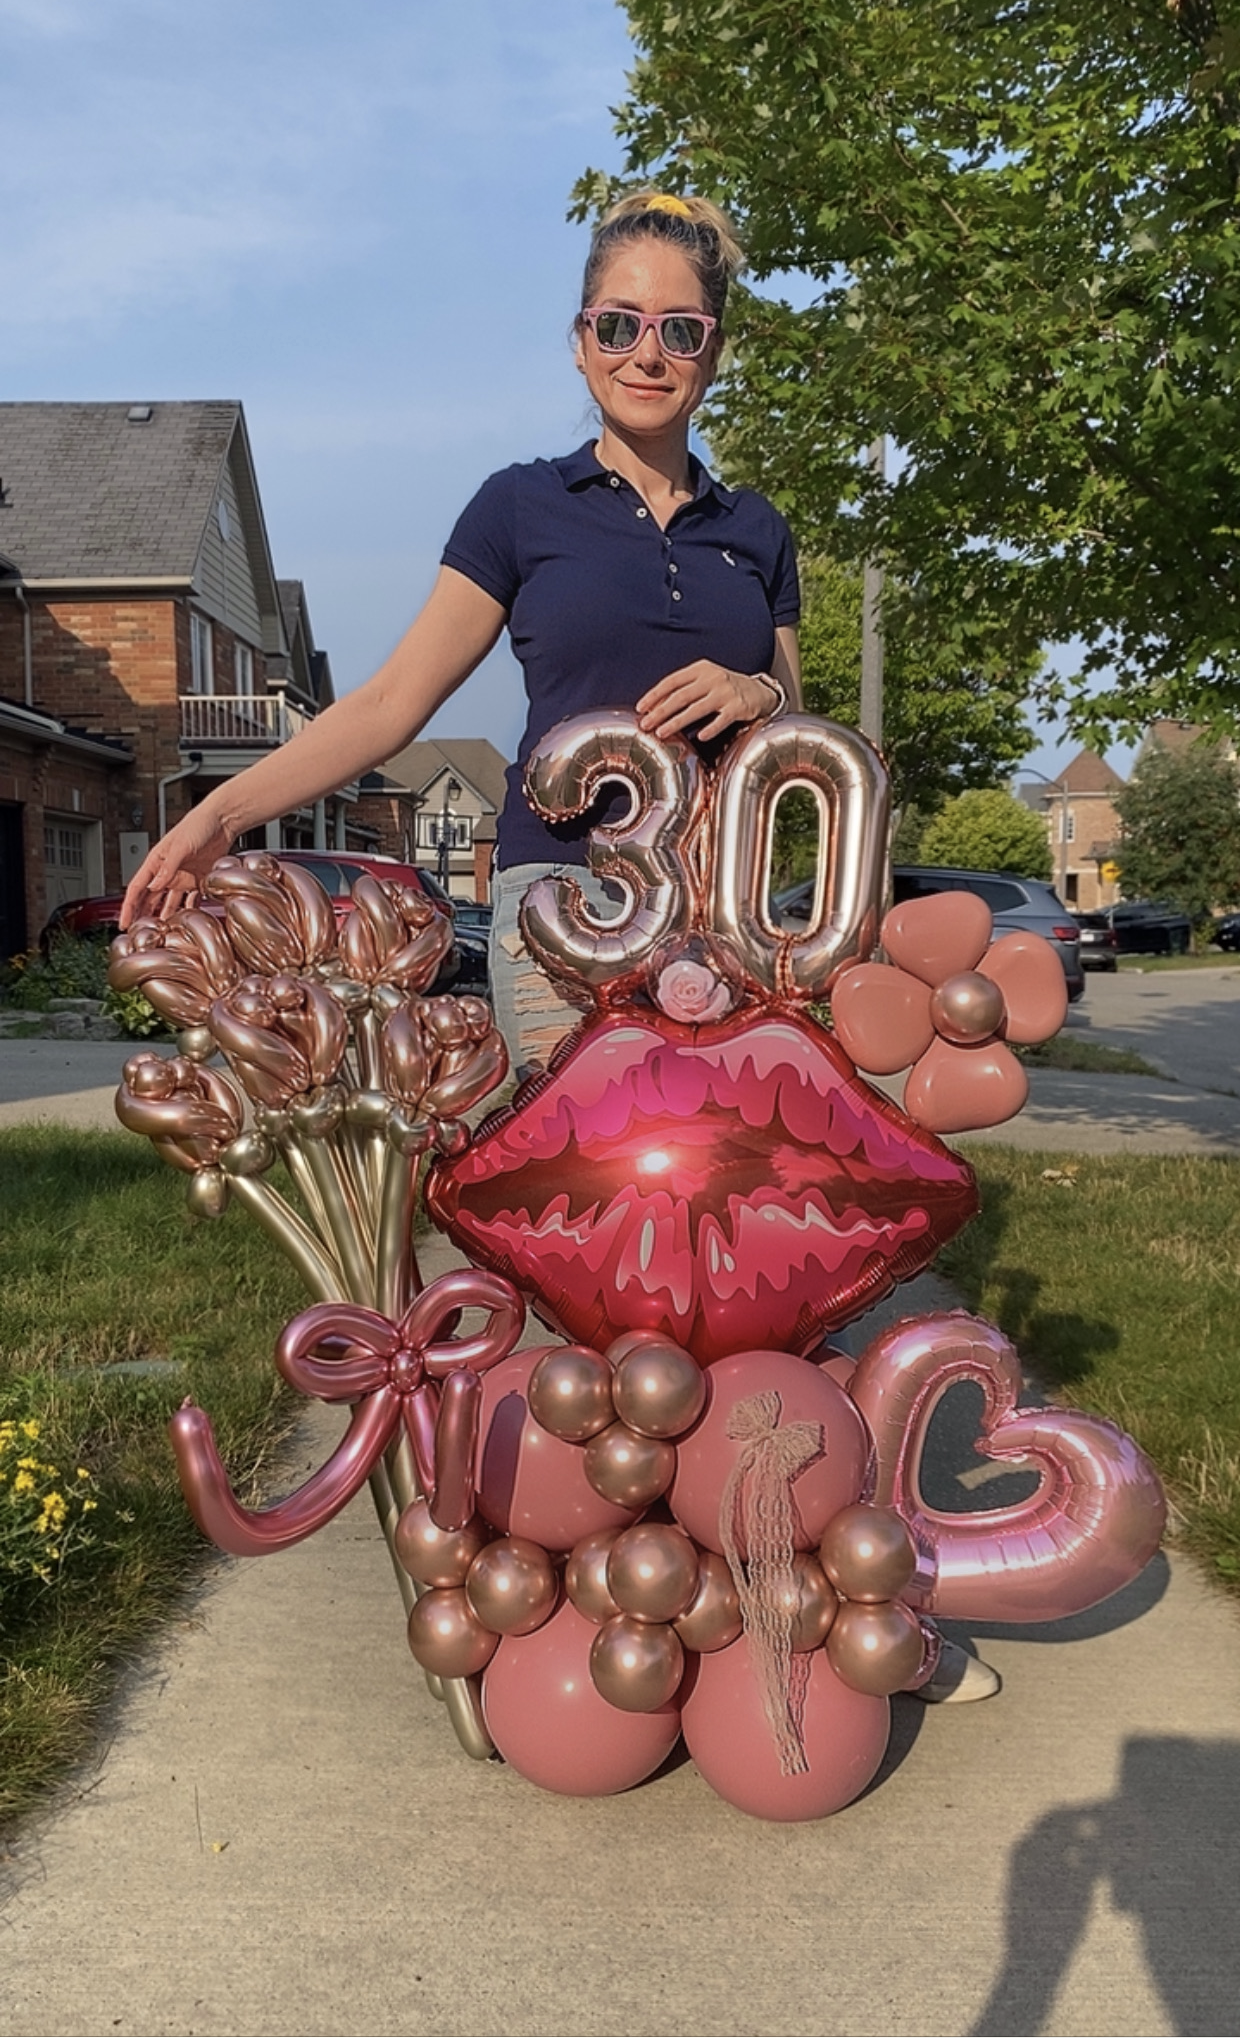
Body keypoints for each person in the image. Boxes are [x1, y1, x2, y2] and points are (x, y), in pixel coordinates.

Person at [121, 190, 996, 1703]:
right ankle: (603, 1599)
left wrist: (749, 687)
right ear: (578, 341)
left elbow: (811, 739)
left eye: (679, 328)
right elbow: (391, 704)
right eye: (619, 324)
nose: (648, 351)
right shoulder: (520, 508)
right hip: (557, 929)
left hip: (728, 937)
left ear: (715, 350)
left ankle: (809, 1579)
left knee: (760, 1256)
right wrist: (220, 813)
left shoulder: (756, 532)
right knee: (593, 1263)